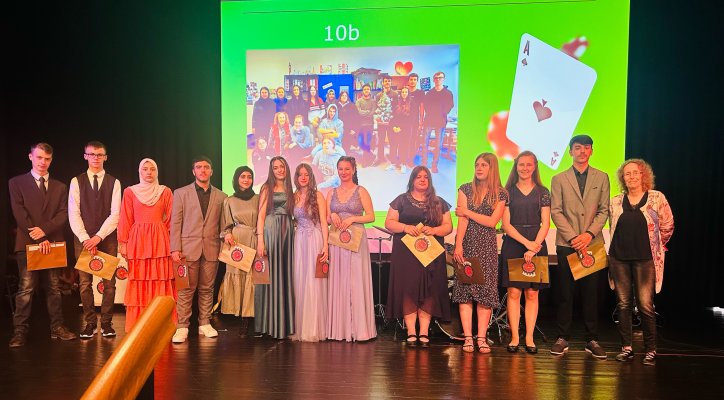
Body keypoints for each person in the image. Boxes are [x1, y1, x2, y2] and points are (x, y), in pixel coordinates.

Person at [8, 143, 77, 347]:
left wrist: (44, 232)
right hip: (27, 243)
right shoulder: (16, 182)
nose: (42, 162)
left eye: (47, 159)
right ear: (30, 157)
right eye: (39, 157)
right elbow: (19, 213)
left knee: (54, 288)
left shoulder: (60, 187)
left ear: (51, 160)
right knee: (26, 288)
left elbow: (63, 214)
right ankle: (20, 332)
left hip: (52, 243)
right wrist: (39, 238)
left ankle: (57, 328)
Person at [549, 134, 610, 359]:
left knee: (591, 294)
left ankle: (591, 339)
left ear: (591, 151)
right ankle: (562, 338)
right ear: (570, 152)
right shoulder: (558, 179)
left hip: (592, 244)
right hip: (567, 243)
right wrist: (574, 237)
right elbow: (556, 211)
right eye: (577, 147)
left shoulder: (602, 177)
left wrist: (588, 235)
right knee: (565, 293)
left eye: (586, 147)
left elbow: (604, 210)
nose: (582, 151)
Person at [609, 159, 674, 366]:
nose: (632, 177)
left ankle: (650, 350)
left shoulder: (656, 197)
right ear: (623, 178)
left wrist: (657, 245)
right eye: (627, 174)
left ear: (643, 175)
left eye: (635, 173)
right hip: (619, 258)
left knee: (645, 305)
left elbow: (668, 225)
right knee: (623, 304)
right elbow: (612, 227)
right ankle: (626, 348)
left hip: (645, 259)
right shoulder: (615, 201)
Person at [385, 166, 452, 347]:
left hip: (430, 254)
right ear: (412, 180)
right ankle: (411, 332)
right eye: (418, 177)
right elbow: (389, 222)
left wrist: (435, 230)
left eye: (426, 177)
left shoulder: (439, 202)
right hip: (406, 254)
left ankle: (423, 332)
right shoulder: (401, 200)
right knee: (408, 289)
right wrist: (405, 227)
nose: (422, 180)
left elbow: (448, 226)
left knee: (429, 290)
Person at [453, 153, 507, 353]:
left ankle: (482, 338)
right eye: (477, 164)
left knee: (485, 293)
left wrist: (467, 211)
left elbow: (492, 222)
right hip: (467, 244)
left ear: (492, 168)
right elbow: (462, 220)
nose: (479, 168)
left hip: (487, 247)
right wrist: (458, 245)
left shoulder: (501, 194)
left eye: (484, 165)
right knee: (465, 292)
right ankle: (468, 338)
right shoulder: (465, 189)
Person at [68, 140, 122, 339]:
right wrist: (85, 238)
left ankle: (106, 323)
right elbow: (73, 212)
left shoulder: (114, 182)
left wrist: (98, 237)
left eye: (99, 155)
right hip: (83, 238)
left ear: (105, 157)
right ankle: (90, 323)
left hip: (107, 238)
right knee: (84, 283)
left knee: (109, 283)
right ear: (85, 156)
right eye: (92, 154)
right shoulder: (76, 181)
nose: (96, 158)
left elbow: (115, 214)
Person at [170, 156, 227, 343]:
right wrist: (175, 248)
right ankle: (182, 327)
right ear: (193, 171)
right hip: (186, 250)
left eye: (206, 167)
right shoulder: (180, 193)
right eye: (199, 167)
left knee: (207, 288)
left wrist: (223, 247)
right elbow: (175, 222)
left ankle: (204, 323)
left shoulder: (222, 196)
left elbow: (223, 226)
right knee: (185, 289)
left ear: (211, 171)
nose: (203, 170)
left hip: (212, 249)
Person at [500, 151, 551, 354]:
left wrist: (534, 245)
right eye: (521, 164)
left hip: (537, 242)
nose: (525, 168)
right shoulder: (507, 192)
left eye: (529, 164)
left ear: (535, 166)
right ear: (516, 166)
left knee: (532, 293)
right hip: (514, 243)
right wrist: (526, 244)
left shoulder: (543, 192)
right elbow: (506, 225)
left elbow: (546, 223)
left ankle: (529, 337)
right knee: (513, 292)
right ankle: (514, 337)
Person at [118, 158, 176, 332]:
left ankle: (161, 321)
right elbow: (125, 218)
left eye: (152, 169)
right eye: (145, 169)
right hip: (138, 241)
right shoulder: (130, 192)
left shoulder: (165, 191)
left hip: (160, 241)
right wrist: (123, 243)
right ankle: (140, 323)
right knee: (139, 279)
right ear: (139, 171)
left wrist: (165, 235)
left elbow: (172, 219)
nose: (149, 172)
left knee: (161, 278)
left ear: (157, 172)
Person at [326, 156, 377, 341]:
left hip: (356, 240)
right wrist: (332, 215)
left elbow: (371, 216)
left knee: (355, 281)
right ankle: (340, 329)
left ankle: (359, 330)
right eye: (340, 169)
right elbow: (326, 218)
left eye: (347, 169)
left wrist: (352, 219)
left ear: (354, 170)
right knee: (338, 281)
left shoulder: (361, 191)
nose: (343, 172)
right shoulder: (331, 192)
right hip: (337, 241)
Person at [255, 156, 295, 339]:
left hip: (288, 232)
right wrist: (260, 240)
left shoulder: (290, 188)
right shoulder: (266, 187)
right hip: (271, 230)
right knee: (271, 275)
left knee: (285, 275)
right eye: (276, 167)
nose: (279, 170)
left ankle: (285, 323)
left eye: (282, 166)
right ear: (271, 170)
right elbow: (261, 215)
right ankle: (270, 324)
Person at [218, 166, 259, 337]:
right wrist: (227, 234)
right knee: (238, 277)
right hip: (237, 242)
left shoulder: (259, 198)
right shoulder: (229, 200)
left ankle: (252, 318)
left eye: (249, 176)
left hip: (255, 239)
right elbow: (225, 226)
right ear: (236, 179)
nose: (246, 179)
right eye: (243, 176)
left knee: (253, 278)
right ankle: (242, 319)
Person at [290, 164, 329, 342]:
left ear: (311, 176)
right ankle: (301, 327)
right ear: (296, 177)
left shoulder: (318, 195)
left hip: (314, 238)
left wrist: (325, 245)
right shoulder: (293, 196)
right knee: (301, 280)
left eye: (306, 174)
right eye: (300, 174)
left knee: (314, 282)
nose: (303, 177)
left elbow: (323, 222)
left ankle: (314, 328)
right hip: (299, 240)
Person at [421, 72, 454, 173]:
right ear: (433, 80)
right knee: (425, 143)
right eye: (436, 78)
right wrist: (431, 113)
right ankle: (424, 163)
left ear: (443, 79)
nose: (438, 79)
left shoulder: (448, 93)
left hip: (440, 121)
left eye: (440, 77)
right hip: (429, 120)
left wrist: (443, 113)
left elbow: (450, 105)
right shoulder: (429, 93)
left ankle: (434, 165)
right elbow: (425, 105)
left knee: (438, 145)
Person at [372, 76, 399, 167]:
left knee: (392, 140)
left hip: (391, 122)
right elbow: (376, 108)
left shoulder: (395, 94)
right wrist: (377, 117)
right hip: (381, 123)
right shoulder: (379, 95)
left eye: (389, 81)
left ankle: (392, 158)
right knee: (381, 141)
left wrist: (394, 120)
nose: (387, 83)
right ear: (383, 83)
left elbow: (396, 108)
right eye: (385, 81)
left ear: (391, 83)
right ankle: (380, 158)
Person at [389, 86, 414, 173]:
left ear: (408, 93)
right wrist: (394, 126)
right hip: (396, 128)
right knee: (393, 146)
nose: (404, 93)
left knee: (404, 146)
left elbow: (412, 118)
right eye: (403, 92)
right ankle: (393, 163)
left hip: (406, 129)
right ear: (400, 93)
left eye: (406, 92)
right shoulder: (396, 102)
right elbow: (393, 116)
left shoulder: (412, 103)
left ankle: (403, 164)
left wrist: (401, 128)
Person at [406, 73, 425, 168]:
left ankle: (410, 160)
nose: (412, 81)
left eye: (414, 79)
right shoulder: (405, 91)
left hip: (415, 121)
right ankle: (404, 158)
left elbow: (422, 107)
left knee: (413, 140)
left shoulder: (420, 93)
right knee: (405, 139)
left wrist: (421, 122)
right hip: (404, 121)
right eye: (411, 79)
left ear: (417, 81)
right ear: (408, 80)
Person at [355, 84, 376, 166]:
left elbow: (372, 112)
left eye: (368, 89)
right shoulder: (358, 101)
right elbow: (358, 112)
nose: (366, 90)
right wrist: (367, 112)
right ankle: (371, 156)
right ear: (362, 91)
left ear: (370, 91)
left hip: (370, 124)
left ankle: (365, 160)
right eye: (365, 89)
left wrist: (365, 113)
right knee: (361, 142)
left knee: (368, 142)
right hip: (360, 125)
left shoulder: (373, 101)